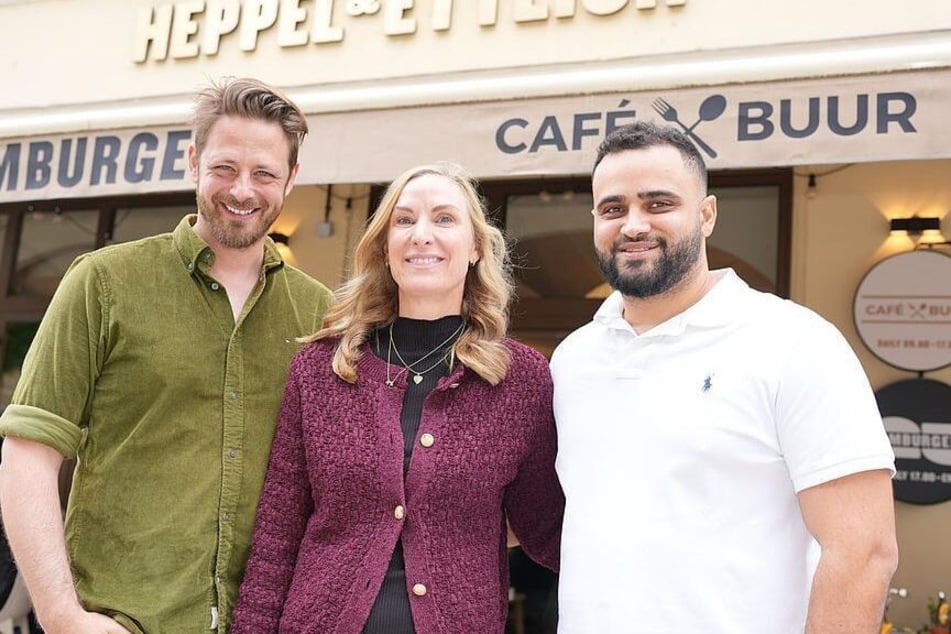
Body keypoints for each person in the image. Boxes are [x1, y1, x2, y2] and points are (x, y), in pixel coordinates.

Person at [0, 77, 332, 634]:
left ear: (291, 179)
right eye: (225, 167)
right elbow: (29, 455)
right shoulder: (104, 283)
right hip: (122, 618)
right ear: (193, 160)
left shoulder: (319, 313)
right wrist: (60, 615)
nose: (243, 190)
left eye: (265, 173)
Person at [551, 121, 898, 633]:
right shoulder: (573, 359)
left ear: (707, 214)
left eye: (659, 203)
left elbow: (864, 551)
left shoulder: (794, 342)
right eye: (613, 209)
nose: (633, 225)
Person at [230, 162, 564, 634]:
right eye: (404, 220)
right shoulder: (321, 370)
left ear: (474, 248)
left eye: (444, 219)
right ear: (385, 248)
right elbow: (276, 537)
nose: (421, 234)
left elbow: (550, 531)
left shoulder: (518, 380)